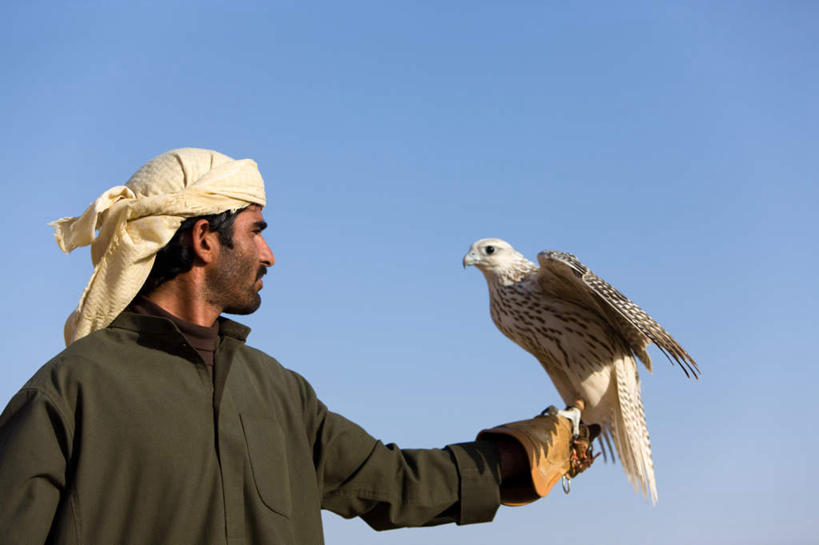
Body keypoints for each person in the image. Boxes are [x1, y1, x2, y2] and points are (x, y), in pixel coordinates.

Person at [0, 148, 596, 545]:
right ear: (205, 240)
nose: (269, 254)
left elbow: (391, 480)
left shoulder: (276, 390)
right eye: (256, 232)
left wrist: (516, 460)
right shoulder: (70, 391)